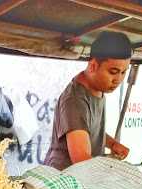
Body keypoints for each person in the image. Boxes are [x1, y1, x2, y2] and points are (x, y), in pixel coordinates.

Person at [44, 31, 132, 170]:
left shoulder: (98, 89)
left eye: (123, 72)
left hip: (86, 175)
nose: (118, 80)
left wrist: (112, 144)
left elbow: (88, 130)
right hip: (65, 178)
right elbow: (81, 160)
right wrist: (114, 174)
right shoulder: (74, 101)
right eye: (113, 72)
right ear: (93, 66)